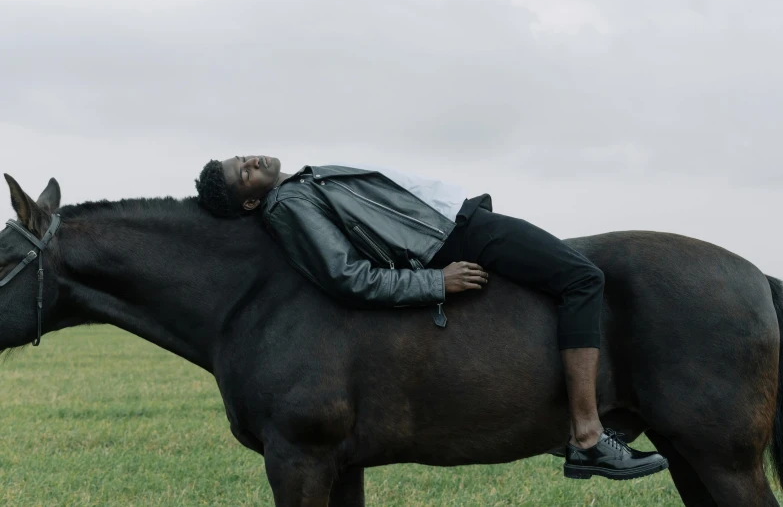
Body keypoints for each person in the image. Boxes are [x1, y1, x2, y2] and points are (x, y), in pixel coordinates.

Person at [194, 154, 668, 480]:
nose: (252, 162)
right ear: (251, 201)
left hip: (456, 226)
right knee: (583, 279)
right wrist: (436, 283)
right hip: (456, 239)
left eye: (244, 158)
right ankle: (588, 436)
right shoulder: (288, 204)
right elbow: (347, 276)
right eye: (244, 173)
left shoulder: (296, 186)